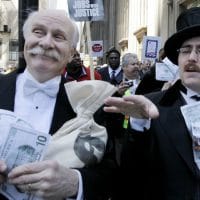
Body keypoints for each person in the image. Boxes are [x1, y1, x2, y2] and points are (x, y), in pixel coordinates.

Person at [0, 9, 116, 200]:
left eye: (59, 36)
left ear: (71, 53)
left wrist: (75, 182)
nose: (46, 43)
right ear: (25, 42)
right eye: (38, 32)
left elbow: (110, 173)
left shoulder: (88, 103)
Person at [104, 7, 200, 199]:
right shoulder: (151, 107)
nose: (192, 57)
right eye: (186, 50)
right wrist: (138, 124)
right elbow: (129, 179)